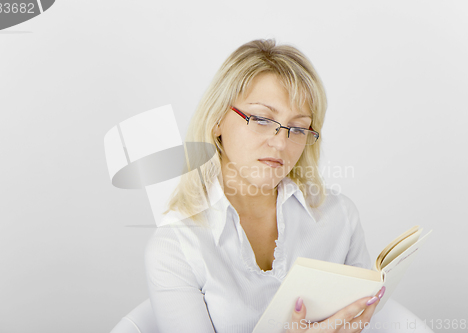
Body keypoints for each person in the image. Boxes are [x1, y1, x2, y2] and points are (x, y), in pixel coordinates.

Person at [144, 39, 385, 333]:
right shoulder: (176, 245)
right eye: (260, 119)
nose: (281, 142)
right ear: (217, 120)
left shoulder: (340, 217)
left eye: (298, 128)